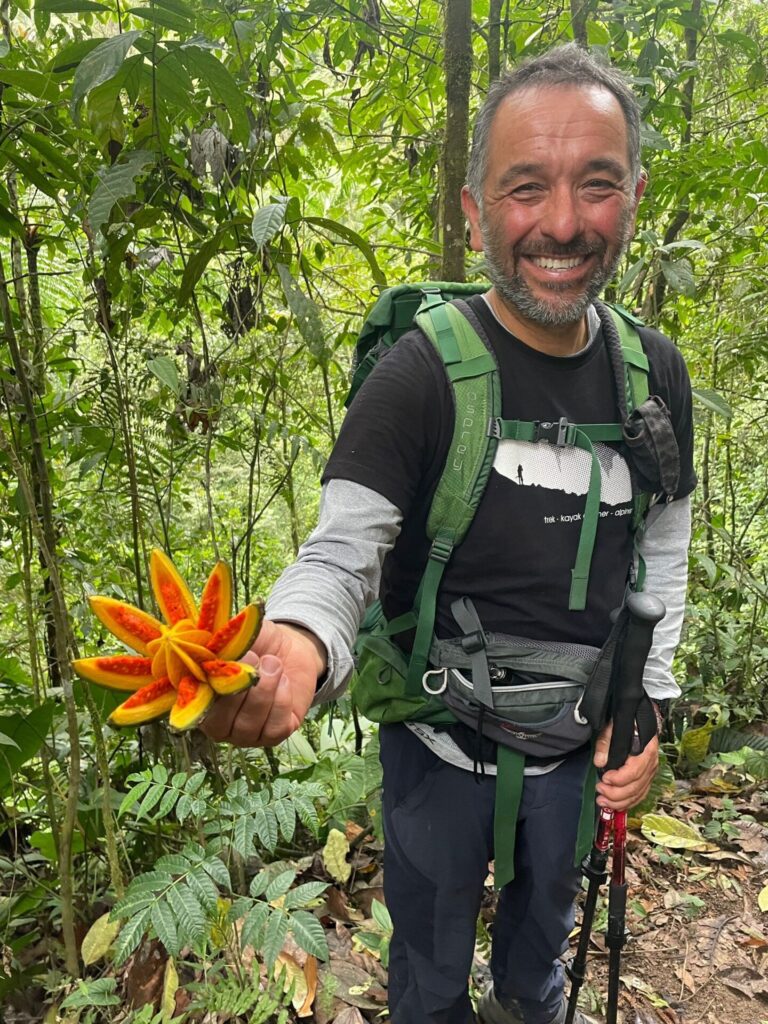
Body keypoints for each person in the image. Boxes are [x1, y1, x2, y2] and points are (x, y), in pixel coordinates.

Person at [202, 44, 696, 1024]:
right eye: (525, 189)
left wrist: (646, 703)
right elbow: (343, 552)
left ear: (632, 198)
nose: (561, 222)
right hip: (438, 752)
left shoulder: (656, 375)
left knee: (538, 972)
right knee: (428, 984)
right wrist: (294, 644)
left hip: (576, 758)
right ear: (474, 213)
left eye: (595, 185)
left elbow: (664, 541)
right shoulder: (421, 375)